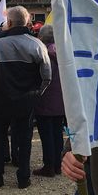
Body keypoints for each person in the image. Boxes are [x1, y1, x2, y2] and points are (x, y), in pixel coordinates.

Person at [0, 5, 51, 189]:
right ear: (28, 22)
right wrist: (37, 94)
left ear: (10, 22)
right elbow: (47, 75)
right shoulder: (36, 44)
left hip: (0, 99)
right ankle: (23, 177)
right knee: (24, 138)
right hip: (26, 100)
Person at [33, 24, 64, 177]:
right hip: (61, 100)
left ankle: (49, 166)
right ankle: (58, 164)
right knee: (58, 134)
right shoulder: (62, 52)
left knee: (46, 135)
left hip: (44, 99)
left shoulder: (41, 51)